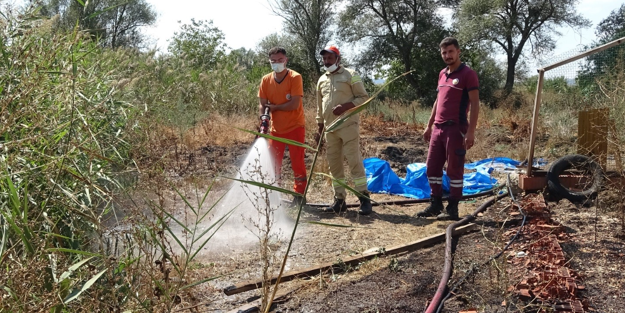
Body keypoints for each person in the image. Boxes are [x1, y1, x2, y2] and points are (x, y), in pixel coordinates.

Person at [416, 37, 480, 220]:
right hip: (438, 129)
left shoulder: (468, 74)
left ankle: (452, 208)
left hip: (456, 129)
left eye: (451, 51)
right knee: (432, 168)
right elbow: (438, 101)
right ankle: (435, 204)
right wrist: (429, 125)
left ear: (458, 52)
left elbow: (475, 104)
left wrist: (471, 131)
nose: (447, 55)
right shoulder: (442, 74)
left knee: (454, 169)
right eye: (444, 52)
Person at [314, 45, 372, 215]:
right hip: (329, 129)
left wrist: (346, 107)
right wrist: (319, 129)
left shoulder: (351, 75)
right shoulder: (321, 80)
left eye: (330, 58)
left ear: (338, 58)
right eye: (324, 59)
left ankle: (364, 199)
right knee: (334, 166)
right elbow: (319, 107)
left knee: (354, 161)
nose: (326, 61)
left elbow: (363, 98)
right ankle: (339, 200)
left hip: (348, 126)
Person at [258, 47, 307, 205]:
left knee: (297, 162)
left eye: (280, 60)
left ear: (286, 60)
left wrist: (275, 108)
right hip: (276, 130)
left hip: (295, 127)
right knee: (273, 163)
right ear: (269, 61)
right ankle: (274, 193)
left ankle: (299, 195)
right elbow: (262, 103)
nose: (277, 63)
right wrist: (263, 117)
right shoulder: (266, 80)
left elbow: (294, 103)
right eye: (273, 61)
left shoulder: (295, 77)